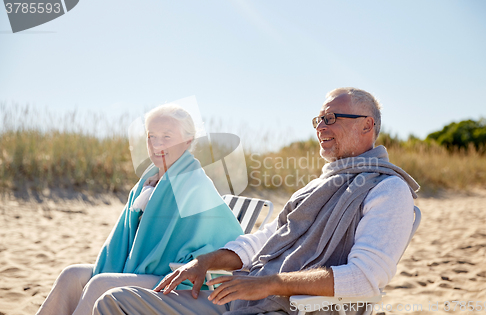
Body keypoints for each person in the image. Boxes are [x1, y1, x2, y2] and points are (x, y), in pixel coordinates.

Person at [92, 87, 420, 315]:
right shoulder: (318, 186)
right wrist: (206, 261)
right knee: (112, 300)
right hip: (242, 293)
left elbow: (363, 279)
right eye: (318, 119)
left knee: (114, 302)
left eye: (331, 117)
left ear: (367, 125)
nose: (320, 126)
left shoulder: (387, 191)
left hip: (287, 305)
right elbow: (262, 240)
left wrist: (268, 285)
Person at [36, 104, 243, 315]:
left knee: (100, 284)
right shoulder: (149, 180)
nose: (156, 144)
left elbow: (218, 235)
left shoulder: (193, 182)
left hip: (172, 278)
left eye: (167, 137)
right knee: (70, 275)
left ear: (187, 141)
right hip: (137, 268)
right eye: (151, 136)